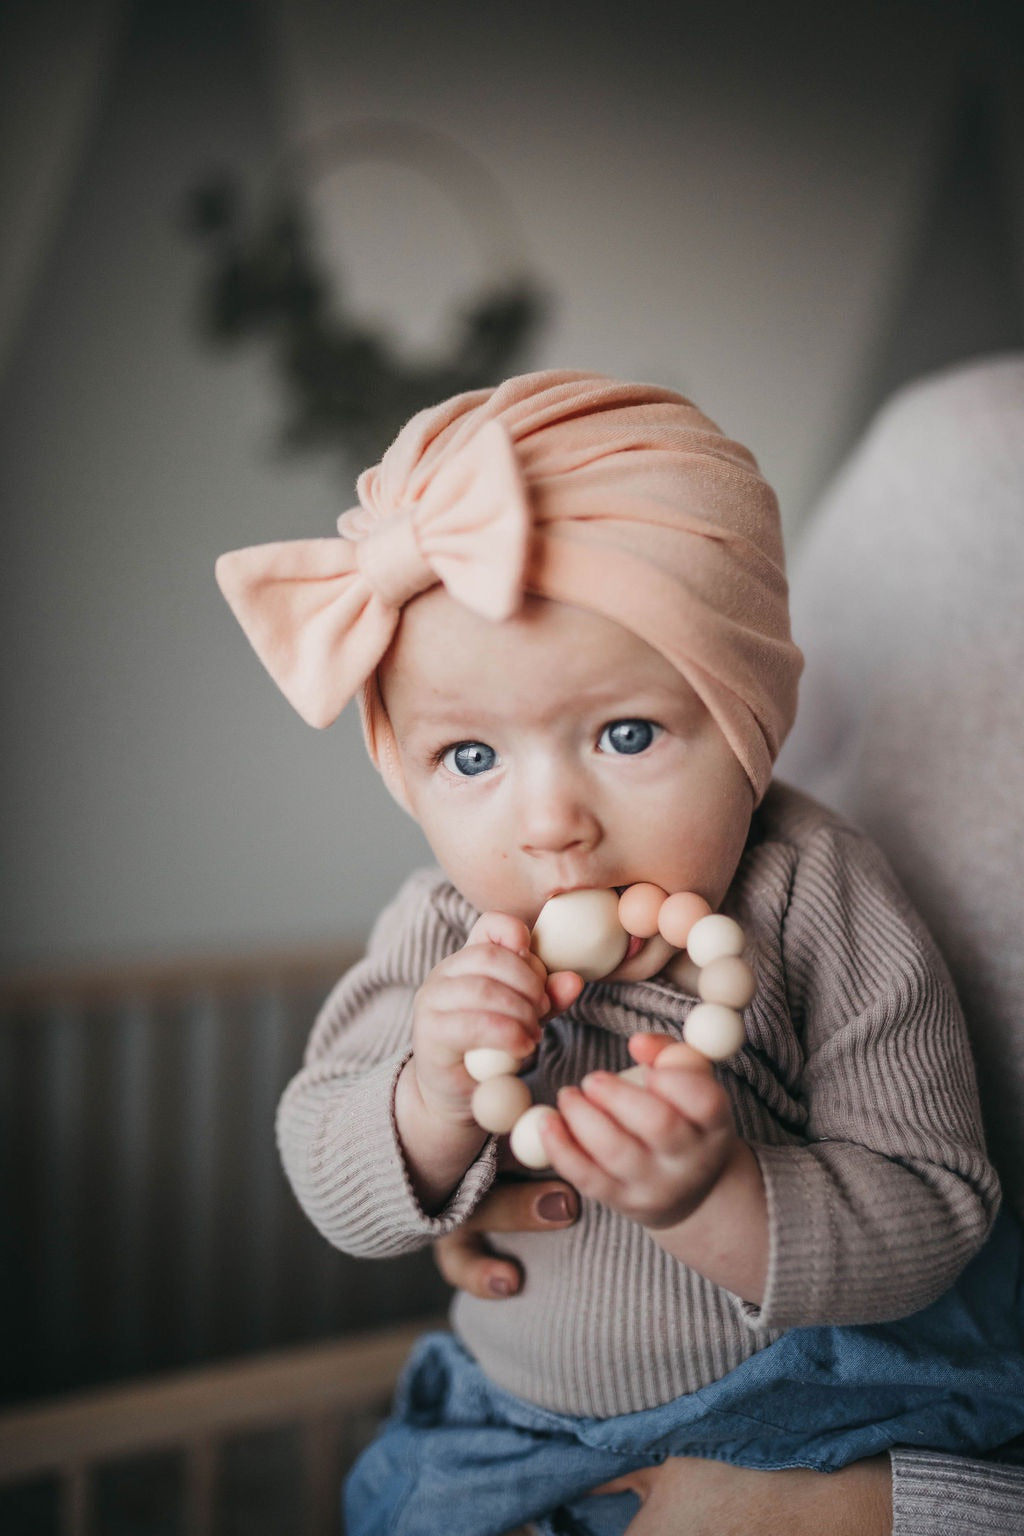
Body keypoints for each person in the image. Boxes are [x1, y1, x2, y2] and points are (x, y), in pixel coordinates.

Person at [216, 371, 1024, 1536]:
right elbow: (329, 1165)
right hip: (516, 1423)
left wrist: (723, 1199)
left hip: (820, 1407)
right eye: (470, 758)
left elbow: (938, 1206)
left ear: (743, 725)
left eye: (625, 733)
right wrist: (427, 1103)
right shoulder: (441, 928)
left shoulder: (812, 890)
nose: (550, 823)